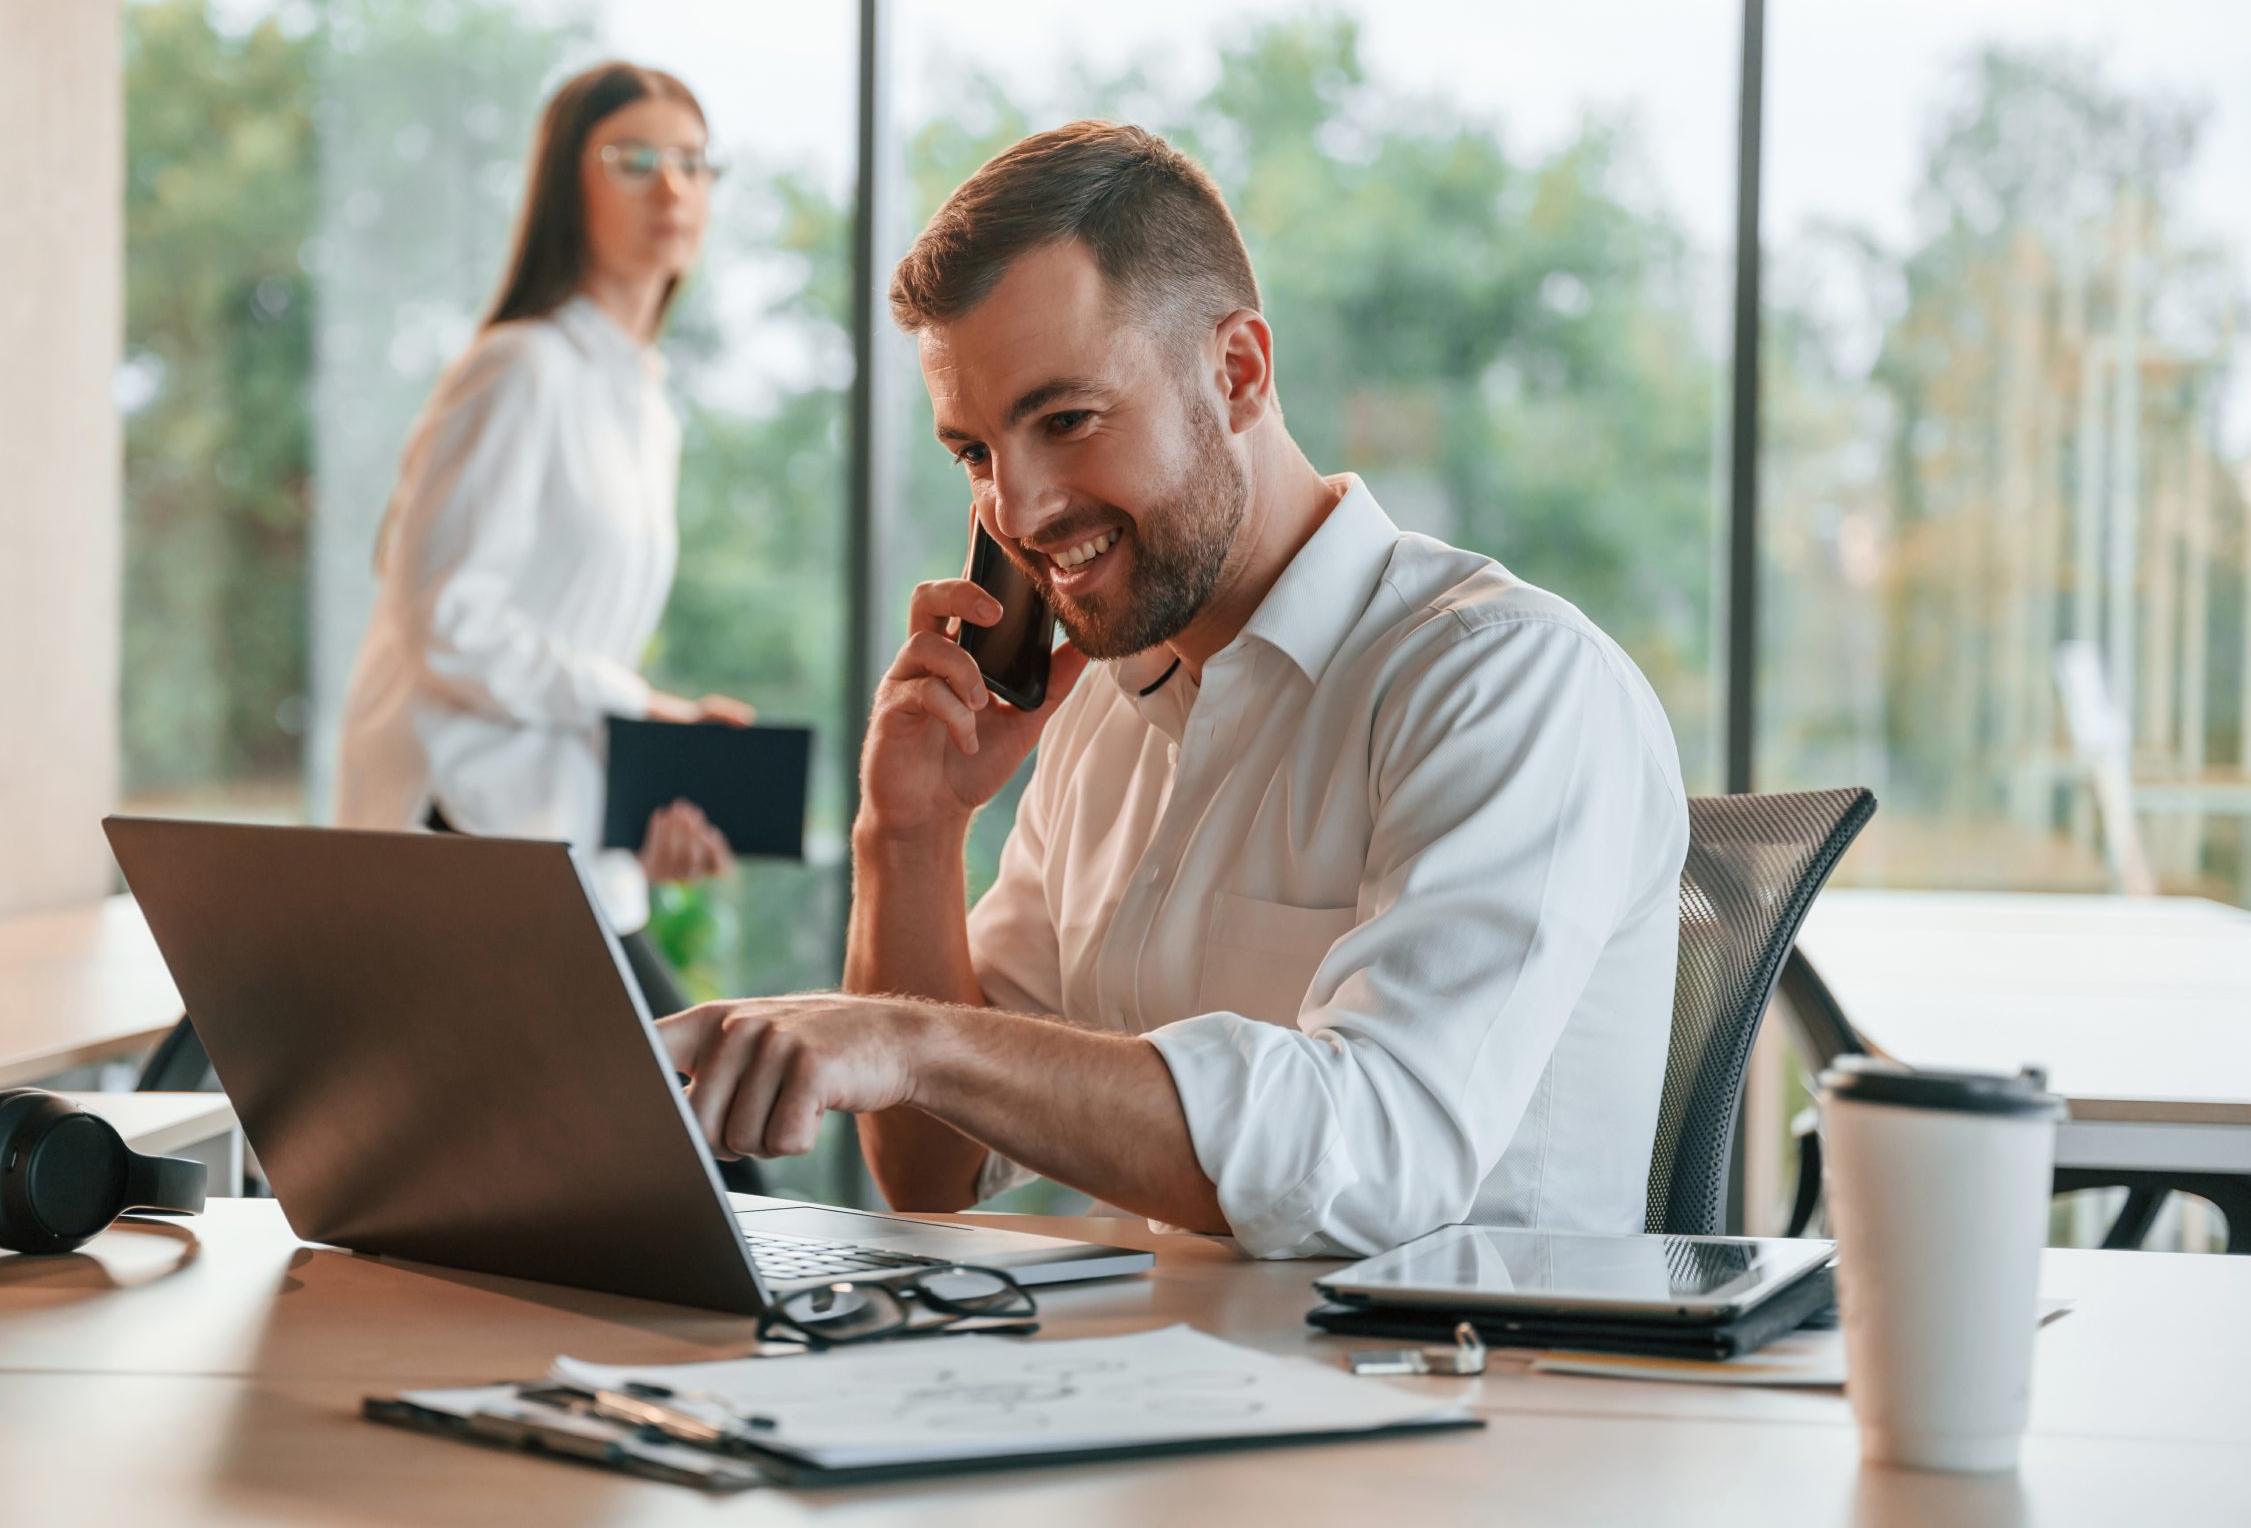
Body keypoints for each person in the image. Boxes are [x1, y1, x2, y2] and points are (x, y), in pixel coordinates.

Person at [657, 122, 1687, 1257]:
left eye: (1065, 421)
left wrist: (914, 1040)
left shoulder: (1507, 683)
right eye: (976, 452)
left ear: (1236, 372)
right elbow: (932, 1169)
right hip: (1180, 1390)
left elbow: (1385, 1154)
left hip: (1460, 1402)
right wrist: (909, 834)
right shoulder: (1105, 712)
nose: (1019, 509)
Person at [336, 60, 748, 1011]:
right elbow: (449, 621)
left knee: (697, 1144)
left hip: (569, 843)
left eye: (693, 161)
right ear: (567, 181)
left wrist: (659, 746)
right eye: (633, 159)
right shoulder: (523, 369)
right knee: (684, 1147)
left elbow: (566, 643)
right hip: (471, 843)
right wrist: (630, 705)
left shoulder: (645, 405)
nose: (672, 186)